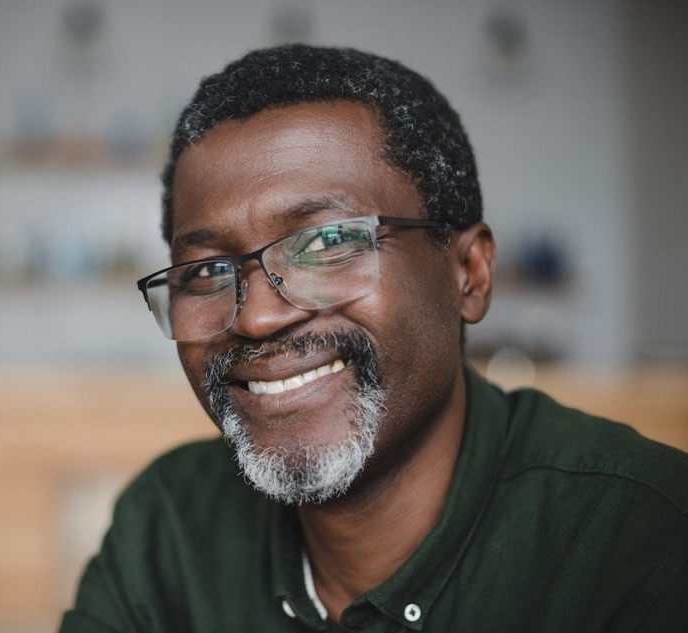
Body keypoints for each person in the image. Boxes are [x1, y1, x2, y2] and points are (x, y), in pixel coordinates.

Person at [59, 45, 688, 632]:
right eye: (205, 273)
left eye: (328, 242)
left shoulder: (642, 538)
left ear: (468, 272)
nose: (258, 320)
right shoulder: (167, 528)